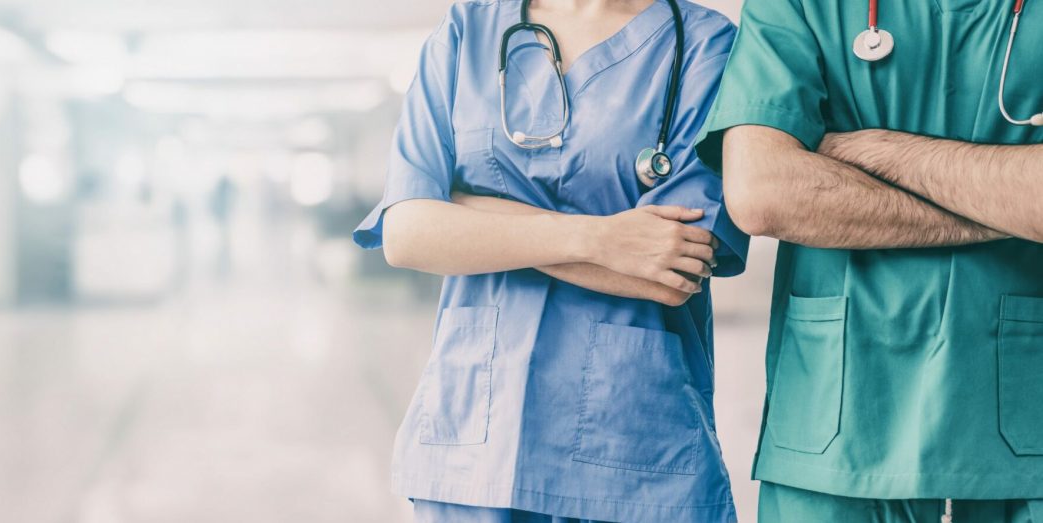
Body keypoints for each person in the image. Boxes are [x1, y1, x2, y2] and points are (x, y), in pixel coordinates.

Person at [353, 0, 749, 521]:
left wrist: (466, 215)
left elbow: (674, 266)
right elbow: (408, 234)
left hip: (635, 446)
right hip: (473, 444)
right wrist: (599, 239)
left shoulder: (704, 44)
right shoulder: (466, 30)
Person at [694, 0, 1043, 521]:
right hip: (836, 425)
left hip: (1021, 434)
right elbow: (763, 192)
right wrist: (1009, 205)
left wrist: (884, 151)